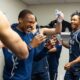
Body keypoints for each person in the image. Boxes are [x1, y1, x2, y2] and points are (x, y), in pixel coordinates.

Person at [2, 9, 63, 80]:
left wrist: (46, 49)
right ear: (20, 20)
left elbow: (35, 58)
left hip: (29, 76)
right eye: (30, 22)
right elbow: (11, 60)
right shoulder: (10, 34)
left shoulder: (29, 35)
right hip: (14, 78)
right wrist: (31, 45)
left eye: (33, 23)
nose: (32, 25)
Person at [62, 11, 80, 80]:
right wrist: (61, 41)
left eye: (74, 20)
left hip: (78, 69)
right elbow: (71, 46)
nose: (72, 21)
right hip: (71, 68)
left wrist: (71, 63)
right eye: (71, 19)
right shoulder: (73, 33)